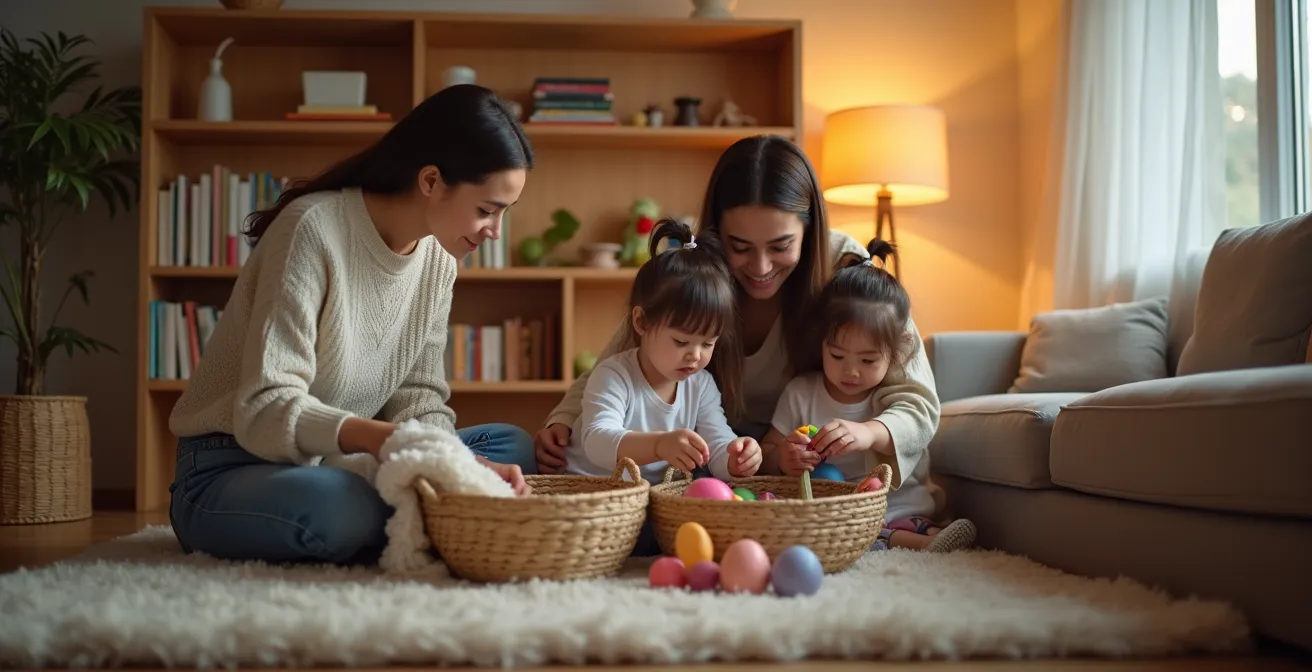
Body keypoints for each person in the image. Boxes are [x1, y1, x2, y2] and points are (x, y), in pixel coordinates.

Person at [167, 84, 537, 566]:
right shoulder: (312, 231)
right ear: (430, 181)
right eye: (487, 210)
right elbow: (263, 409)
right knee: (342, 507)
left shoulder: (439, 262)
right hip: (232, 465)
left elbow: (418, 398)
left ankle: (424, 508)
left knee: (512, 448)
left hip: (345, 462)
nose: (495, 231)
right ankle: (431, 516)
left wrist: (462, 464)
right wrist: (384, 441)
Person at [534, 135, 940, 505]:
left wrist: (867, 433)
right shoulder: (696, 273)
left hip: (813, 474)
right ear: (716, 233)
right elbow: (624, 358)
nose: (760, 267)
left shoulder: (852, 272)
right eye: (740, 247)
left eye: (781, 246)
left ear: (810, 231)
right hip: (733, 466)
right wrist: (565, 419)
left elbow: (918, 403)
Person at [771, 240, 976, 553]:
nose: (851, 371)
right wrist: (784, 457)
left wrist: (868, 431)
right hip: (834, 510)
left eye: (868, 361)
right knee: (819, 526)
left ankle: (919, 535)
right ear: (821, 343)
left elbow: (917, 424)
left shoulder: (892, 397)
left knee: (899, 519)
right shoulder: (801, 393)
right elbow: (769, 447)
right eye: (837, 355)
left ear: (895, 356)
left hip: (896, 505)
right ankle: (921, 542)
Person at [564, 218, 763, 487]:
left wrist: (737, 457)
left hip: (650, 497)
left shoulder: (701, 385)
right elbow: (597, 441)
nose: (695, 355)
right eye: (681, 342)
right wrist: (658, 444)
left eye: (707, 343)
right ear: (641, 322)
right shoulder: (614, 375)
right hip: (589, 489)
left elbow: (716, 445)